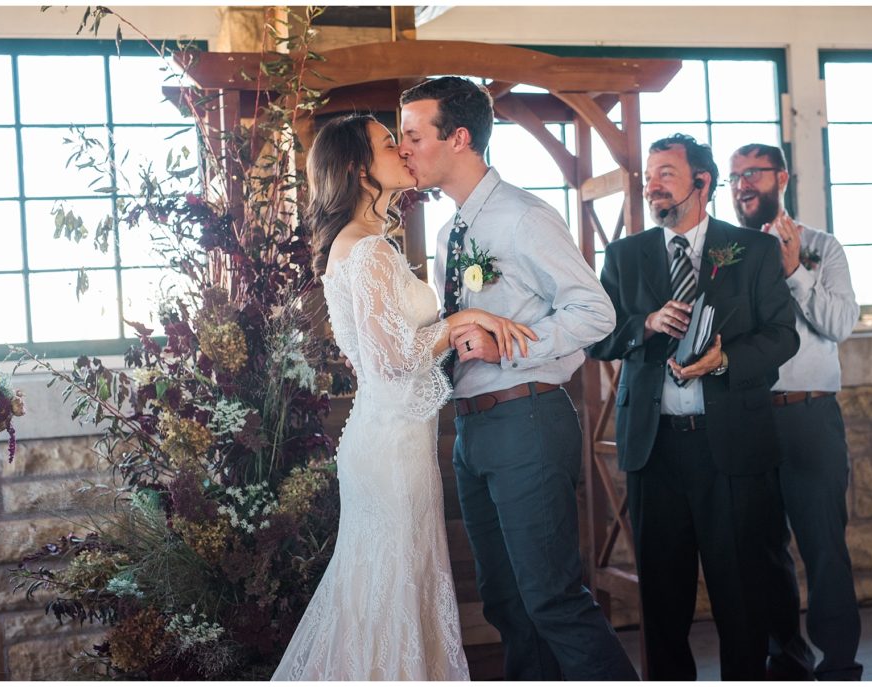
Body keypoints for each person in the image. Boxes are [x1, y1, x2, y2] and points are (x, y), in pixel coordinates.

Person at [272, 114, 537, 681]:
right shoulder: (367, 250)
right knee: (391, 589)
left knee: (387, 588)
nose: (403, 150)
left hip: (391, 437)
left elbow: (382, 352)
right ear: (356, 167)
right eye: (388, 143)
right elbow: (393, 359)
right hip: (391, 449)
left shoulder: (364, 244)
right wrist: (461, 319)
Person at [397, 76, 638, 681]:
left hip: (526, 418)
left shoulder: (524, 217)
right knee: (505, 604)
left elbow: (596, 312)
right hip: (472, 431)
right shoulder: (452, 231)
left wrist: (506, 347)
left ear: (458, 138)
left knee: (552, 600)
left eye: (414, 135)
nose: (404, 148)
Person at [588, 133, 799, 680]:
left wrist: (724, 360)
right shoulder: (625, 255)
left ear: (701, 183)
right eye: (649, 177)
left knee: (742, 599)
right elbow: (597, 337)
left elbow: (783, 336)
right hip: (654, 450)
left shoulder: (752, 250)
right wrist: (644, 324)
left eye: (665, 174)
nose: (651, 186)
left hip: (730, 446)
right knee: (662, 603)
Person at [730, 143, 863, 680]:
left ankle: (839, 664)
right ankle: (785, 658)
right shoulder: (726, 253)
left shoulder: (823, 248)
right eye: (734, 177)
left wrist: (794, 272)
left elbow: (841, 324)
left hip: (809, 417)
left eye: (753, 174)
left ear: (781, 178)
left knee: (824, 545)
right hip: (748, 417)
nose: (742, 185)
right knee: (762, 548)